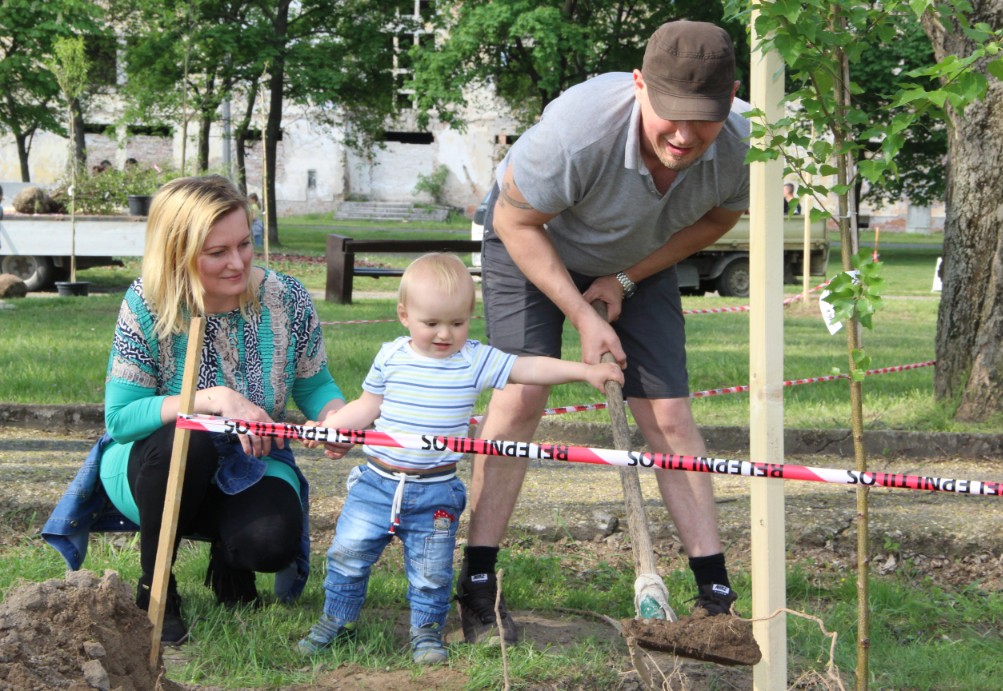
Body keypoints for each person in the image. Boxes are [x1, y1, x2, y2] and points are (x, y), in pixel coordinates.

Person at [457, 20, 750, 645]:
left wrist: (623, 279)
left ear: (730, 97)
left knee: (669, 415)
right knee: (522, 395)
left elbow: (717, 220)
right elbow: (514, 221)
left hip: (636, 255)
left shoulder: (743, 142)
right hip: (531, 238)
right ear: (639, 85)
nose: (684, 136)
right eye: (670, 114)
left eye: (703, 119)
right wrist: (583, 315)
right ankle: (478, 588)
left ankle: (716, 605)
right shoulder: (578, 131)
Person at [43, 175, 347, 645]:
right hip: (152, 464)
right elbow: (120, 420)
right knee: (192, 437)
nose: (237, 262)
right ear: (176, 254)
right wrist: (212, 399)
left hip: (252, 457)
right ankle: (156, 586)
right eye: (217, 252)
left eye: (244, 244)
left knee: (268, 544)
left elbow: (315, 383)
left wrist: (336, 418)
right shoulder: (147, 303)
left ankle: (229, 559)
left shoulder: (286, 298)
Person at [296, 252, 623, 663]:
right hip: (375, 485)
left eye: (457, 323)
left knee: (431, 573)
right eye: (431, 323)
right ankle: (336, 621)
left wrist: (585, 371)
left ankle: (426, 634)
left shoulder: (473, 359)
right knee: (348, 556)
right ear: (404, 315)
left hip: (435, 493)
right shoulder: (391, 356)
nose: (444, 334)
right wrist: (330, 426)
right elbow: (366, 406)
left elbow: (528, 368)